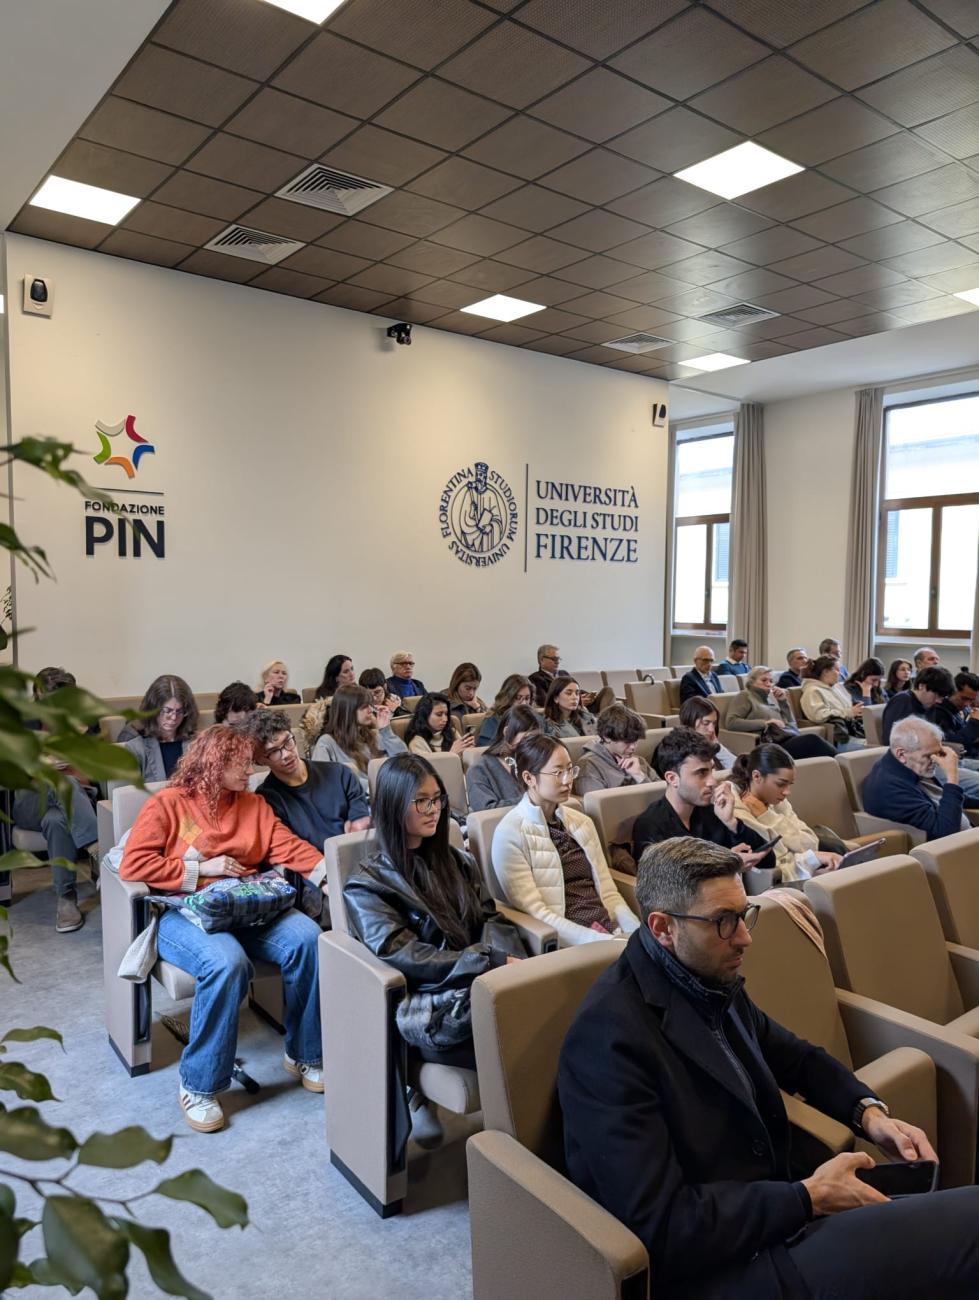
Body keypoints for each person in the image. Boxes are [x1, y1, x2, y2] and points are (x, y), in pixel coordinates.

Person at [558, 836, 979, 1300]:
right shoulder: (607, 1038)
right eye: (724, 921)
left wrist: (869, 1114)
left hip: (777, 1217)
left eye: (744, 914)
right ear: (662, 927)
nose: (745, 937)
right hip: (727, 1268)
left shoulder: (705, 981)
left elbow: (796, 1058)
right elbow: (663, 1224)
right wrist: (808, 1197)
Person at [120, 726, 325, 1132]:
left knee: (307, 939)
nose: (251, 770)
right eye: (242, 764)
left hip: (242, 906)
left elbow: (287, 846)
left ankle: (304, 1052)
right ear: (215, 763)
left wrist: (327, 872)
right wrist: (199, 869)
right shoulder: (169, 804)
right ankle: (199, 1083)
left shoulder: (253, 805)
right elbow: (134, 865)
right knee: (227, 962)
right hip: (184, 912)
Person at [343, 753, 527, 1141]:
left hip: (478, 982)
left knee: (547, 1008)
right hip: (430, 1004)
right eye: (421, 801)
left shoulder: (457, 861)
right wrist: (486, 962)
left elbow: (490, 918)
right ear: (394, 806)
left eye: (437, 799)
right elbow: (404, 955)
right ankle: (517, 1146)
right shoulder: (368, 883)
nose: (434, 810)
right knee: (530, 1037)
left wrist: (507, 964)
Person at [492, 734, 639, 947]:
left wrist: (635, 932)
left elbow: (608, 891)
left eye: (570, 770)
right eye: (558, 772)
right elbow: (537, 913)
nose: (568, 780)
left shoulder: (581, 822)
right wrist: (605, 942)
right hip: (571, 940)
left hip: (606, 928)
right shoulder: (510, 833)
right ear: (529, 778)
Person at [13, 667, 98, 934]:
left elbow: (95, 771)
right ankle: (99, 848)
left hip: (74, 801)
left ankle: (66, 899)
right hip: (30, 802)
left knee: (56, 819)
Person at [634, 728, 774, 868]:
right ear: (672, 778)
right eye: (701, 773)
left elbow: (767, 860)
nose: (712, 781)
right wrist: (726, 864)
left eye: (711, 770)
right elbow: (666, 879)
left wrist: (731, 822)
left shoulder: (712, 812)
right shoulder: (650, 825)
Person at [245, 708, 370, 847]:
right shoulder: (267, 800)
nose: (286, 754)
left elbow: (361, 817)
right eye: (273, 752)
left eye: (287, 742)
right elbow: (289, 849)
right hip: (315, 860)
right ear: (260, 760)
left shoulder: (340, 773)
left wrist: (360, 822)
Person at [730, 744, 842, 882]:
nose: (787, 792)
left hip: (804, 872)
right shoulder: (736, 811)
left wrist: (767, 815)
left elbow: (811, 843)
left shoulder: (777, 801)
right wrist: (767, 818)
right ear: (757, 776)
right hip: (781, 883)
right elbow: (779, 862)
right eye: (781, 784)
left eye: (790, 784)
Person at [864, 716, 968, 840]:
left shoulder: (910, 768)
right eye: (929, 755)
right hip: (952, 846)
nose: (935, 760)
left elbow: (943, 796)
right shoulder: (889, 788)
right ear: (901, 754)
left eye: (938, 753)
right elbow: (945, 833)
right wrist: (952, 776)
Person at [725, 666, 836, 759]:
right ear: (751, 682)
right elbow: (731, 722)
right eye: (764, 680)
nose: (768, 683)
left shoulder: (770, 698)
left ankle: (836, 766)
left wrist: (783, 702)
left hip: (785, 738)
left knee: (816, 753)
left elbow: (792, 725)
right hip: (769, 744)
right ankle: (840, 762)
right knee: (812, 740)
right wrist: (765, 723)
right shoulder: (745, 696)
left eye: (771, 681)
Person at [311, 684, 407, 792]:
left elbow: (405, 762)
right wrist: (373, 787)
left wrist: (386, 731)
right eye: (364, 706)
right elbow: (322, 780)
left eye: (370, 705)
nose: (370, 710)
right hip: (358, 798)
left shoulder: (375, 735)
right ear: (348, 711)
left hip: (386, 793)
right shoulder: (327, 742)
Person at [118, 674, 199, 780]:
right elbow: (126, 789)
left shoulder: (197, 743)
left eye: (180, 711)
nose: (174, 717)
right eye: (167, 711)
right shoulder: (135, 747)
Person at [465, 705, 540, 812]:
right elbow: (486, 811)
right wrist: (533, 800)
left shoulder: (538, 762)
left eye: (537, 739)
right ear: (507, 732)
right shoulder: (479, 770)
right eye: (528, 738)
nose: (533, 744)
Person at [575, 705, 655, 795]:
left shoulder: (638, 761)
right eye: (627, 742)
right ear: (607, 737)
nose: (633, 747)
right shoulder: (589, 766)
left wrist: (639, 775)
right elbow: (599, 802)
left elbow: (662, 797)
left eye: (635, 741)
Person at [799, 656, 864, 751]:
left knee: (880, 742)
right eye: (837, 670)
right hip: (839, 738)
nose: (840, 673)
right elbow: (818, 715)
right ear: (825, 671)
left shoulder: (838, 687)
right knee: (877, 748)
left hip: (853, 730)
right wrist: (848, 712)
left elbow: (849, 707)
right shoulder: (812, 691)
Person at [880, 665, 953, 745]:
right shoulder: (902, 701)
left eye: (942, 697)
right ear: (921, 686)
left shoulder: (930, 705)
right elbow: (890, 740)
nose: (939, 701)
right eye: (937, 695)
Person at [678, 697, 738, 770]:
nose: (712, 729)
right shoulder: (679, 754)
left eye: (714, 723)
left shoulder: (712, 747)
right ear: (690, 722)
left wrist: (717, 747)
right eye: (705, 723)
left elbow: (740, 770)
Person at [406, 692, 474, 756]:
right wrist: (452, 754)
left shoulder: (452, 732)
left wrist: (469, 751)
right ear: (425, 715)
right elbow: (427, 765)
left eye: (446, 714)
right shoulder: (417, 743)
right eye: (439, 714)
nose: (445, 719)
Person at [477, 674, 534, 747]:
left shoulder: (533, 719)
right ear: (508, 698)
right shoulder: (492, 721)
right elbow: (487, 750)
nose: (524, 703)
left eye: (527, 698)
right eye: (518, 698)